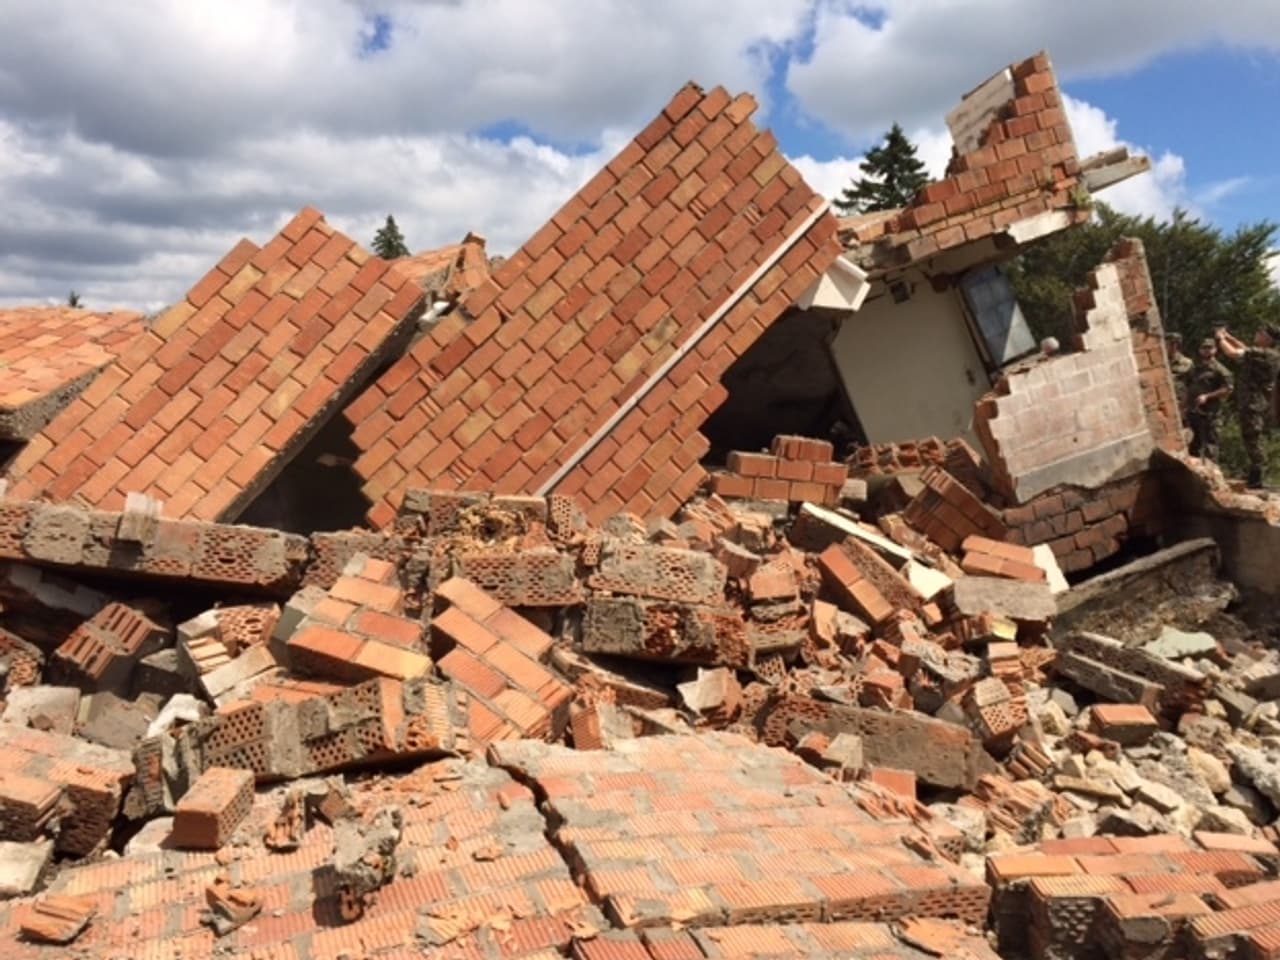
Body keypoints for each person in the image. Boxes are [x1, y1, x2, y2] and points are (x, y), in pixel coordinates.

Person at [1216, 324, 1280, 487]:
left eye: (1260, 332)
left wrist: (1220, 337)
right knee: (1252, 438)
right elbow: (1243, 348)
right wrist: (1228, 336)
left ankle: (1257, 477)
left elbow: (1232, 353)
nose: (1256, 333)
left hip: (1254, 404)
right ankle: (1255, 474)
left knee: (1252, 438)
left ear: (1268, 339)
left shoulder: (1265, 354)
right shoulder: (1262, 353)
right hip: (1254, 403)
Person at [1186, 337, 1233, 463]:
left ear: (1215, 350)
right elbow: (1189, 387)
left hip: (1210, 413)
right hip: (1194, 412)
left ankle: (1212, 476)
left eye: (1209, 348)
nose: (1206, 351)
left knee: (1210, 446)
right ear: (1200, 350)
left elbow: (1227, 389)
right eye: (1204, 348)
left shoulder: (1220, 369)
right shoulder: (1196, 368)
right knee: (1193, 445)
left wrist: (1207, 396)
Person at [1165, 332, 1193, 417]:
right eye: (1170, 344)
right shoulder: (1159, 363)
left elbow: (1192, 385)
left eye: (1175, 344)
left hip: (1180, 403)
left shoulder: (1187, 363)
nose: (1173, 347)